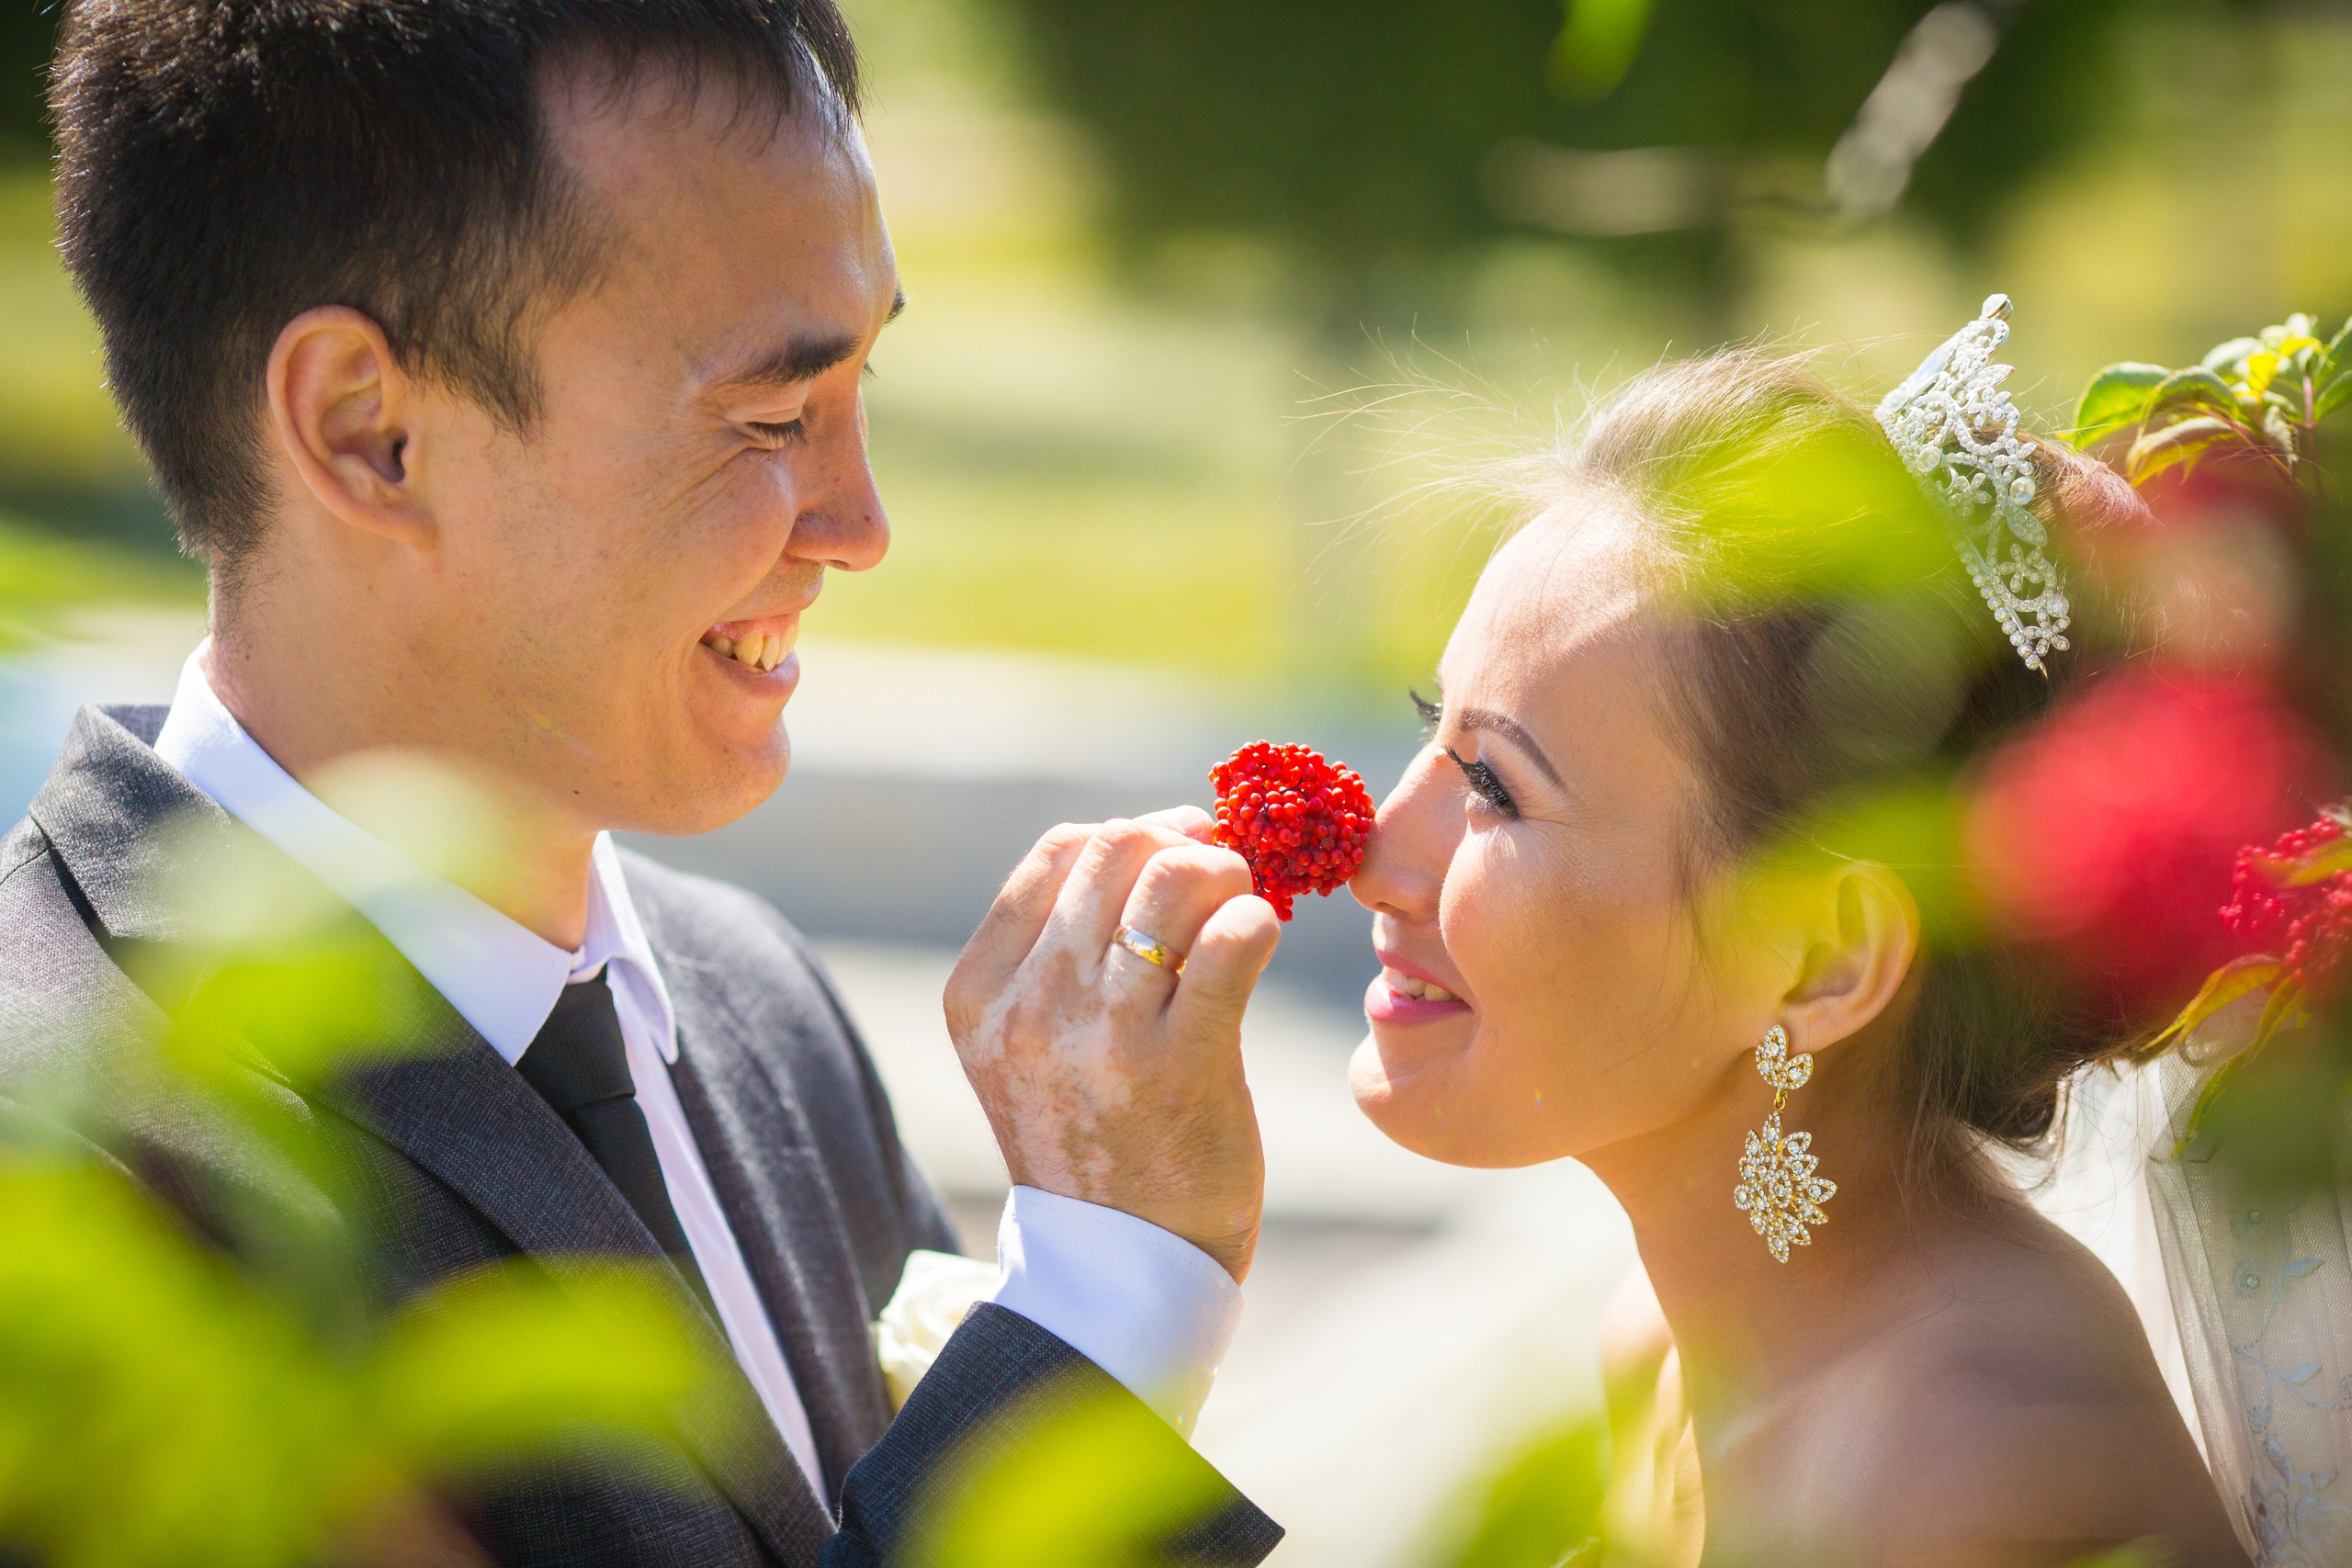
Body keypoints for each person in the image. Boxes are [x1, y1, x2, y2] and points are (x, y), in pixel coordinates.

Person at [1, 2, 1282, 1563]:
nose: (861, 522)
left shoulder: (759, 1007)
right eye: (770, 417)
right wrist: (1105, 1303)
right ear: (369, 429)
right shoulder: (55, 1171)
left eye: (866, 380)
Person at [1344, 321, 2255, 1564]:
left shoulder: (1963, 1480)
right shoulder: (1674, 1343)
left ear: (1823, 961)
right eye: (1426, 726)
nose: (1372, 854)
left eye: (1495, 788)